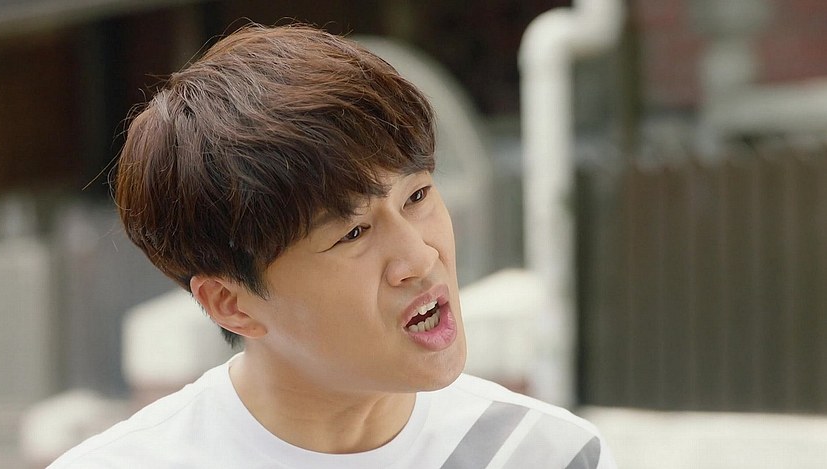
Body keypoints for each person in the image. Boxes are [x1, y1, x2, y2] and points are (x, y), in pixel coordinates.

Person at [49, 24, 616, 468]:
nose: (419, 258)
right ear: (231, 303)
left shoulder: (541, 455)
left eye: (417, 196)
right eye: (353, 233)